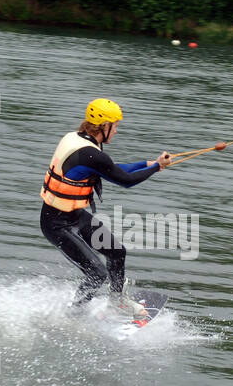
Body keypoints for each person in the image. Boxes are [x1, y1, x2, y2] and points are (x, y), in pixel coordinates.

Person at [40, 98, 171, 314]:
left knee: (117, 252)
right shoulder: (91, 154)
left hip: (74, 215)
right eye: (115, 126)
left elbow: (113, 169)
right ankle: (74, 315)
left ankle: (116, 301)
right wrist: (157, 167)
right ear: (104, 126)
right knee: (97, 273)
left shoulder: (78, 140)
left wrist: (148, 164)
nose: (117, 131)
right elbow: (125, 180)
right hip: (55, 224)